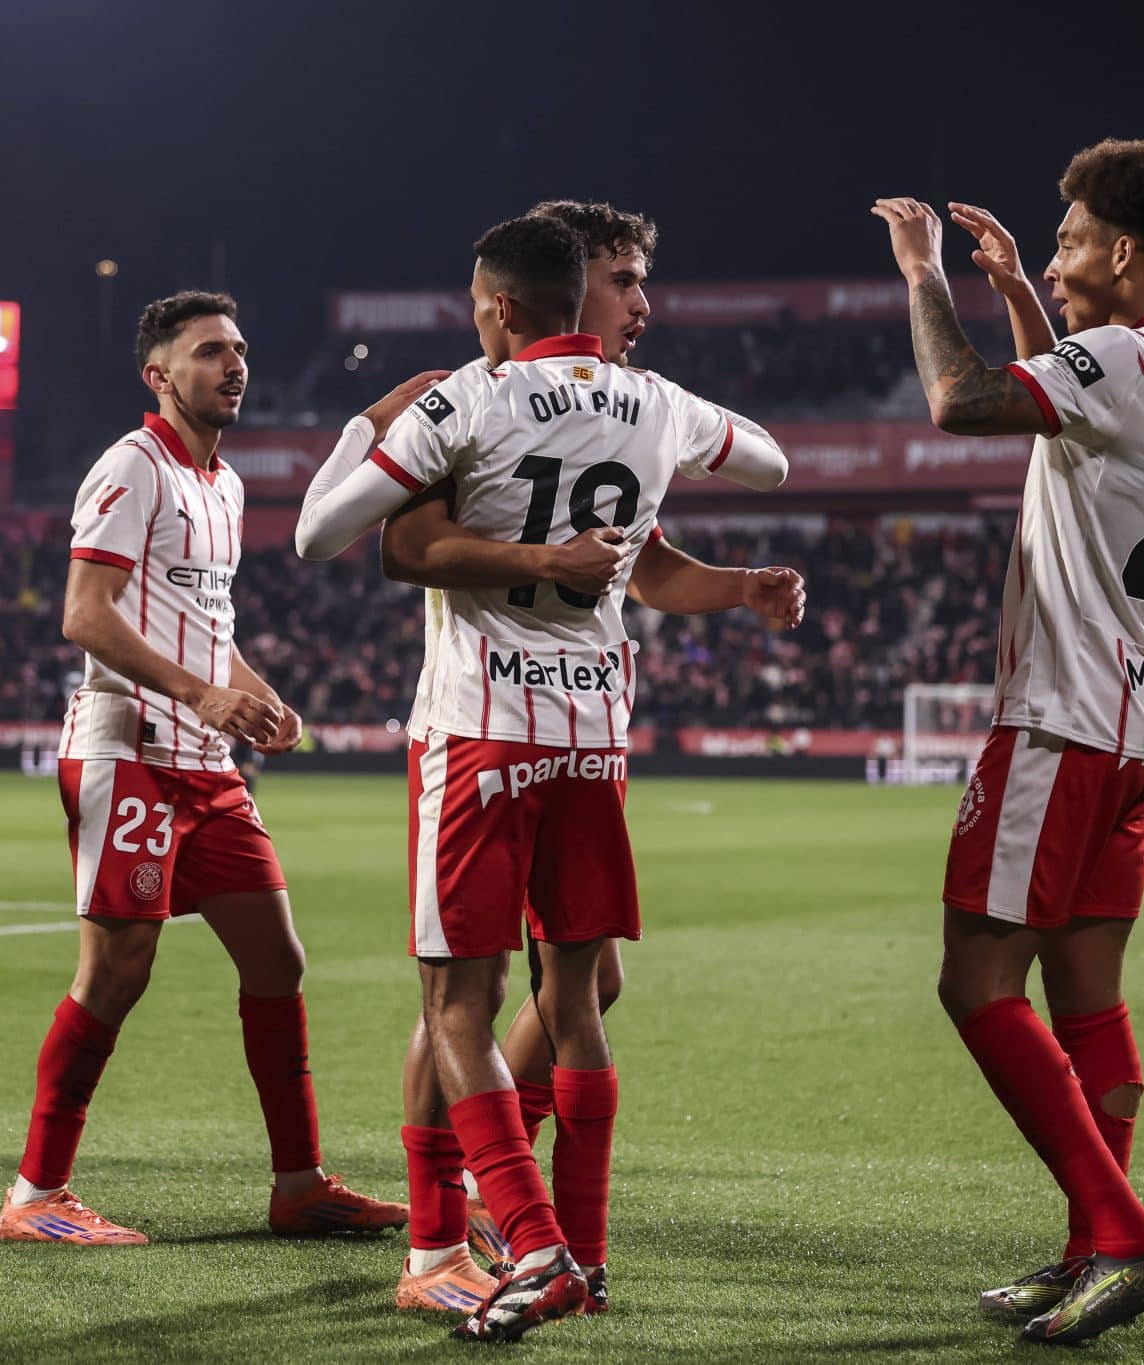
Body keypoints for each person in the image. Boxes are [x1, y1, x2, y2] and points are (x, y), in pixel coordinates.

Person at [295, 216, 796, 1342]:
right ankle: (584, 1250)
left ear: (500, 307)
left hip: (479, 732)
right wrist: (668, 456)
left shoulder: (465, 399)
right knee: (576, 998)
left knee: (454, 1006)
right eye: (624, 283)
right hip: (590, 740)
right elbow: (767, 457)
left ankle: (526, 1246)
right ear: (582, 297)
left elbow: (321, 535)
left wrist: (367, 421)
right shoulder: (653, 400)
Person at [872, 136, 1144, 1344]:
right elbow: (1073, 422)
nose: (1062, 245)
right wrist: (1027, 295)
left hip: (1063, 715)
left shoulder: (1122, 359)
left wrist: (923, 274)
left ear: (1124, 251)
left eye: (1073, 234)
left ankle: (1123, 1237)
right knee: (1085, 996)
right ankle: (1094, 1242)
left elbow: (957, 403)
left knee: (974, 980)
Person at [0, 291, 408, 1246]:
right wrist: (200, 694)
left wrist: (256, 694)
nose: (234, 365)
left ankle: (299, 1184)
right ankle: (36, 1194)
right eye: (209, 351)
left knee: (278, 958)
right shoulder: (131, 466)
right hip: (129, 749)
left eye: (240, 350)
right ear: (160, 373)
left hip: (204, 760)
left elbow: (210, 633)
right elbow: (85, 614)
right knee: (117, 970)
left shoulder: (222, 486)